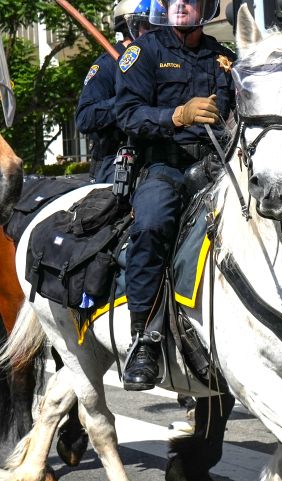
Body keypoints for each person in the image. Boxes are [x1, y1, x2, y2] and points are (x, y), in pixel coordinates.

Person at [114, 0, 234, 389]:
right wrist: (175, 115)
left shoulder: (223, 57)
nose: (180, 4)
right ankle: (144, 340)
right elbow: (126, 114)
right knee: (151, 226)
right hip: (163, 167)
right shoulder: (144, 51)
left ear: (208, 7)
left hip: (215, 166)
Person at [76, 0, 154, 182]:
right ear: (130, 26)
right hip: (116, 162)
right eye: (148, 25)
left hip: (159, 161)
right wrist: (126, 100)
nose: (157, 32)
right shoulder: (107, 65)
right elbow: (84, 118)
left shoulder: (160, 62)